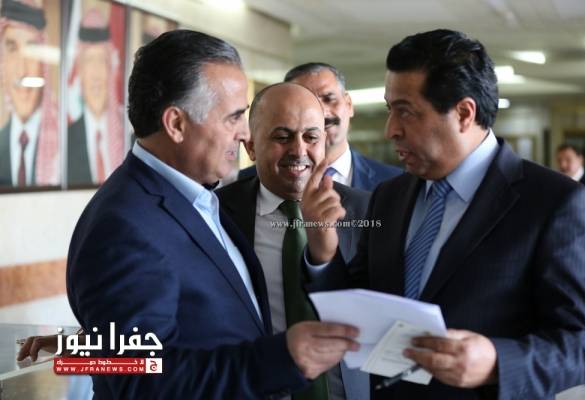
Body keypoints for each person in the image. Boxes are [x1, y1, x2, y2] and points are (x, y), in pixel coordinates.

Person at [301, 29, 585, 399]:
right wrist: (323, 253)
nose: (391, 130)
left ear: (463, 113)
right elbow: (361, 307)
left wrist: (497, 363)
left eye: (405, 112)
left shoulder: (555, 204)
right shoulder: (389, 197)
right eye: (390, 109)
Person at [66, 29, 359, 399]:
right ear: (176, 124)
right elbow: (141, 380)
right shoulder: (124, 227)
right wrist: (282, 358)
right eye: (233, 117)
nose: (244, 134)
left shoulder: (198, 198)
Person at [217, 82, 370, 400]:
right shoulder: (217, 214)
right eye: (282, 137)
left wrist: (323, 258)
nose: (299, 151)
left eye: (311, 137)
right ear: (251, 147)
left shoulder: (367, 211)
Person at [239, 62, 402, 192]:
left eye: (328, 99)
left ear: (349, 104)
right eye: (306, 104)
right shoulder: (238, 184)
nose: (320, 112)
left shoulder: (396, 184)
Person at [0, 0, 59, 187]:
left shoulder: (65, 145)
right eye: (12, 49)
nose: (22, 70)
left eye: (31, 50)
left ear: (43, 65)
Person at [67, 7, 124, 186]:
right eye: (89, 62)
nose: (96, 75)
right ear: (80, 72)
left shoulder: (127, 137)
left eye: (101, 61)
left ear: (111, 70)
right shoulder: (66, 141)